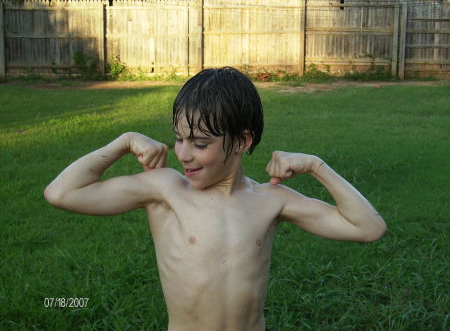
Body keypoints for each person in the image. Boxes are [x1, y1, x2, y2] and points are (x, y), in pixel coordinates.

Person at [44, 67, 386, 331]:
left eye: (200, 144)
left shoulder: (271, 200)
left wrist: (315, 165)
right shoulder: (165, 190)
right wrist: (124, 140)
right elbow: (62, 193)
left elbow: (368, 228)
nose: (183, 154)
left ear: (241, 141)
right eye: (179, 139)